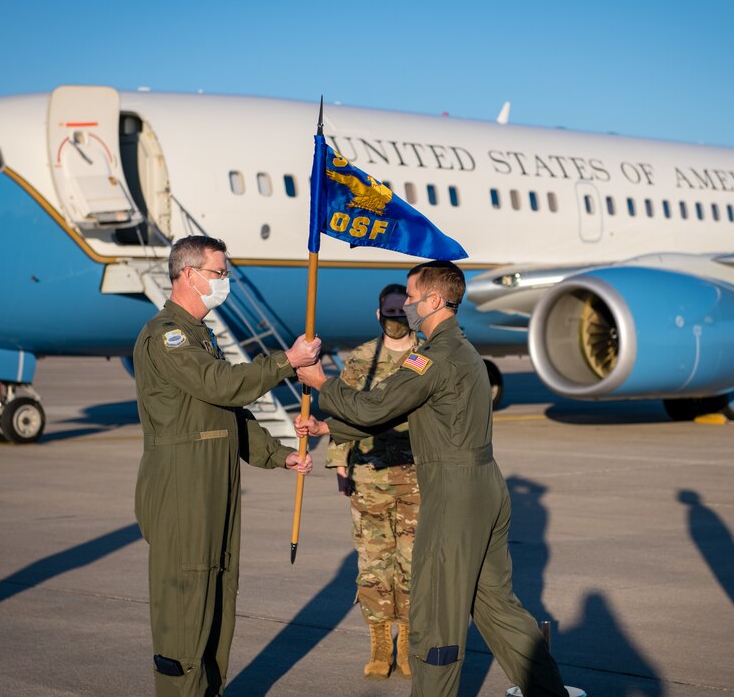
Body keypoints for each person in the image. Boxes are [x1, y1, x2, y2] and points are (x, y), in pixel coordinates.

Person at [296, 261, 567, 697]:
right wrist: (332, 429)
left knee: (435, 616)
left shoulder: (431, 357)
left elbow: (375, 407)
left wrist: (322, 384)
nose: (406, 304)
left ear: (435, 300)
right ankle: (547, 691)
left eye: (411, 294)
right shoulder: (462, 351)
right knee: (497, 607)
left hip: (453, 493)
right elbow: (407, 415)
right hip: (484, 486)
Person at [133, 235, 320, 696]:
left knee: (217, 595)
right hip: (183, 488)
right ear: (188, 274)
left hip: (213, 485)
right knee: (186, 605)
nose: (225, 282)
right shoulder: (168, 335)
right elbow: (221, 385)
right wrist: (286, 361)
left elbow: (228, 416)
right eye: (219, 273)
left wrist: (280, 455)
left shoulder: (201, 335)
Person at [326, 283, 420, 680]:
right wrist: (339, 462)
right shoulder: (361, 358)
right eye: (389, 311)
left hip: (419, 478)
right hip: (370, 477)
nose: (396, 318)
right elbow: (341, 413)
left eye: (403, 312)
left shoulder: (428, 358)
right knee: (374, 564)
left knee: (415, 564)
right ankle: (380, 643)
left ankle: (411, 643)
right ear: (377, 313)